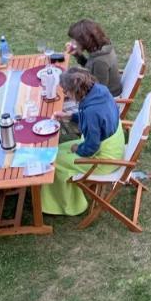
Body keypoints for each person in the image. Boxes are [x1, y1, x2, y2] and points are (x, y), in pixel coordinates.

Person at [40, 68, 126, 216]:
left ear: (75, 91)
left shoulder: (91, 112)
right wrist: (70, 116)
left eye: (66, 91)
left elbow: (91, 147)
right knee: (56, 149)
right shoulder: (100, 90)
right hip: (113, 145)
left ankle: (69, 205)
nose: (65, 94)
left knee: (52, 162)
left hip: (104, 160)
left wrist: (77, 149)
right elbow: (97, 120)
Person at [65, 19, 122, 97]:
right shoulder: (102, 49)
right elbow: (91, 68)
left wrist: (74, 91)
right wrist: (78, 55)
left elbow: (99, 91)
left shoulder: (100, 62)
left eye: (75, 40)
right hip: (100, 92)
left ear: (84, 41)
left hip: (109, 99)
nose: (72, 42)